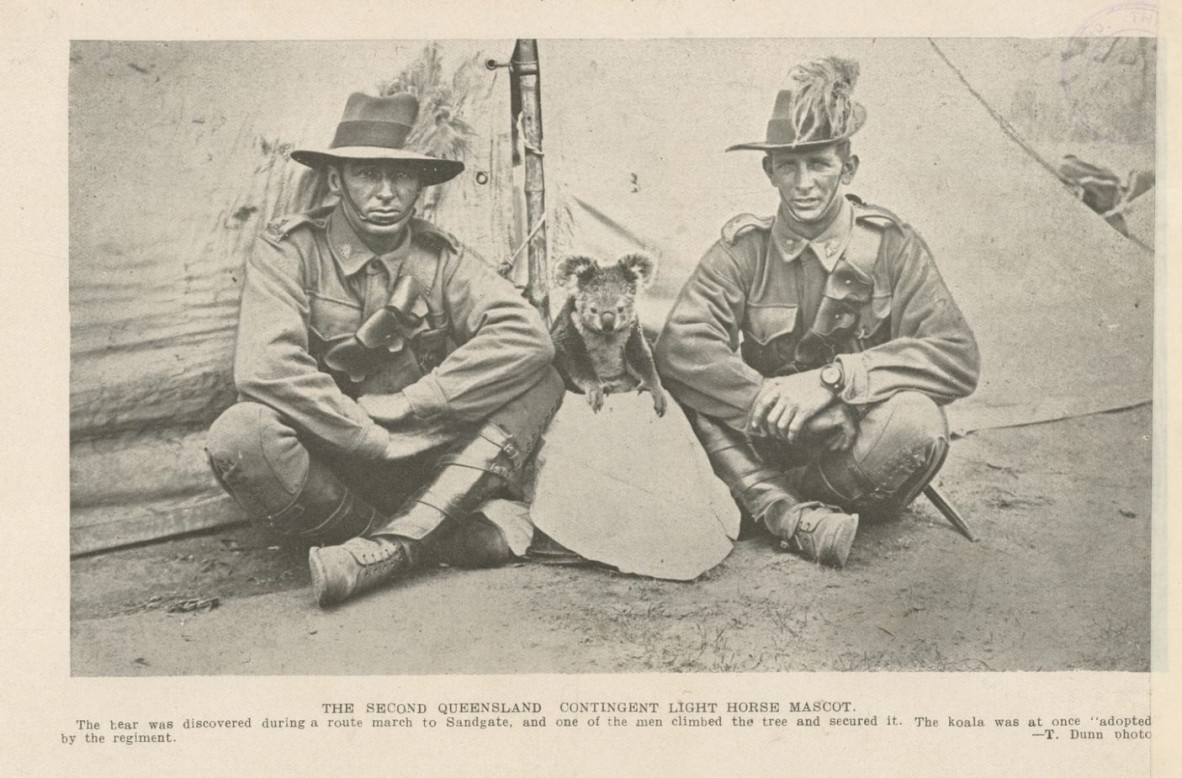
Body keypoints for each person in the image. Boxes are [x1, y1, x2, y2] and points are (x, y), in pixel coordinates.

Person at [206, 92, 563, 607]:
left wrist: (414, 404)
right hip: (333, 460)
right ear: (336, 181)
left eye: (402, 178)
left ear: (421, 189)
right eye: (368, 175)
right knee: (239, 433)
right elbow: (265, 367)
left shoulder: (439, 258)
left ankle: (390, 551)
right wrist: (368, 438)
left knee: (543, 376)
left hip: (427, 455)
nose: (386, 194)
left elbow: (525, 334)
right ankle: (422, 536)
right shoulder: (290, 249)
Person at [654, 57, 980, 568]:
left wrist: (830, 383)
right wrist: (770, 402)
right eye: (789, 165)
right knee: (673, 380)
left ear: (847, 168)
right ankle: (783, 511)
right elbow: (682, 346)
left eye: (820, 164)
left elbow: (955, 356)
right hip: (766, 444)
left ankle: (765, 499)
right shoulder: (744, 250)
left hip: (851, 449)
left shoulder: (893, 246)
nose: (804, 183)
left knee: (919, 421)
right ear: (770, 171)